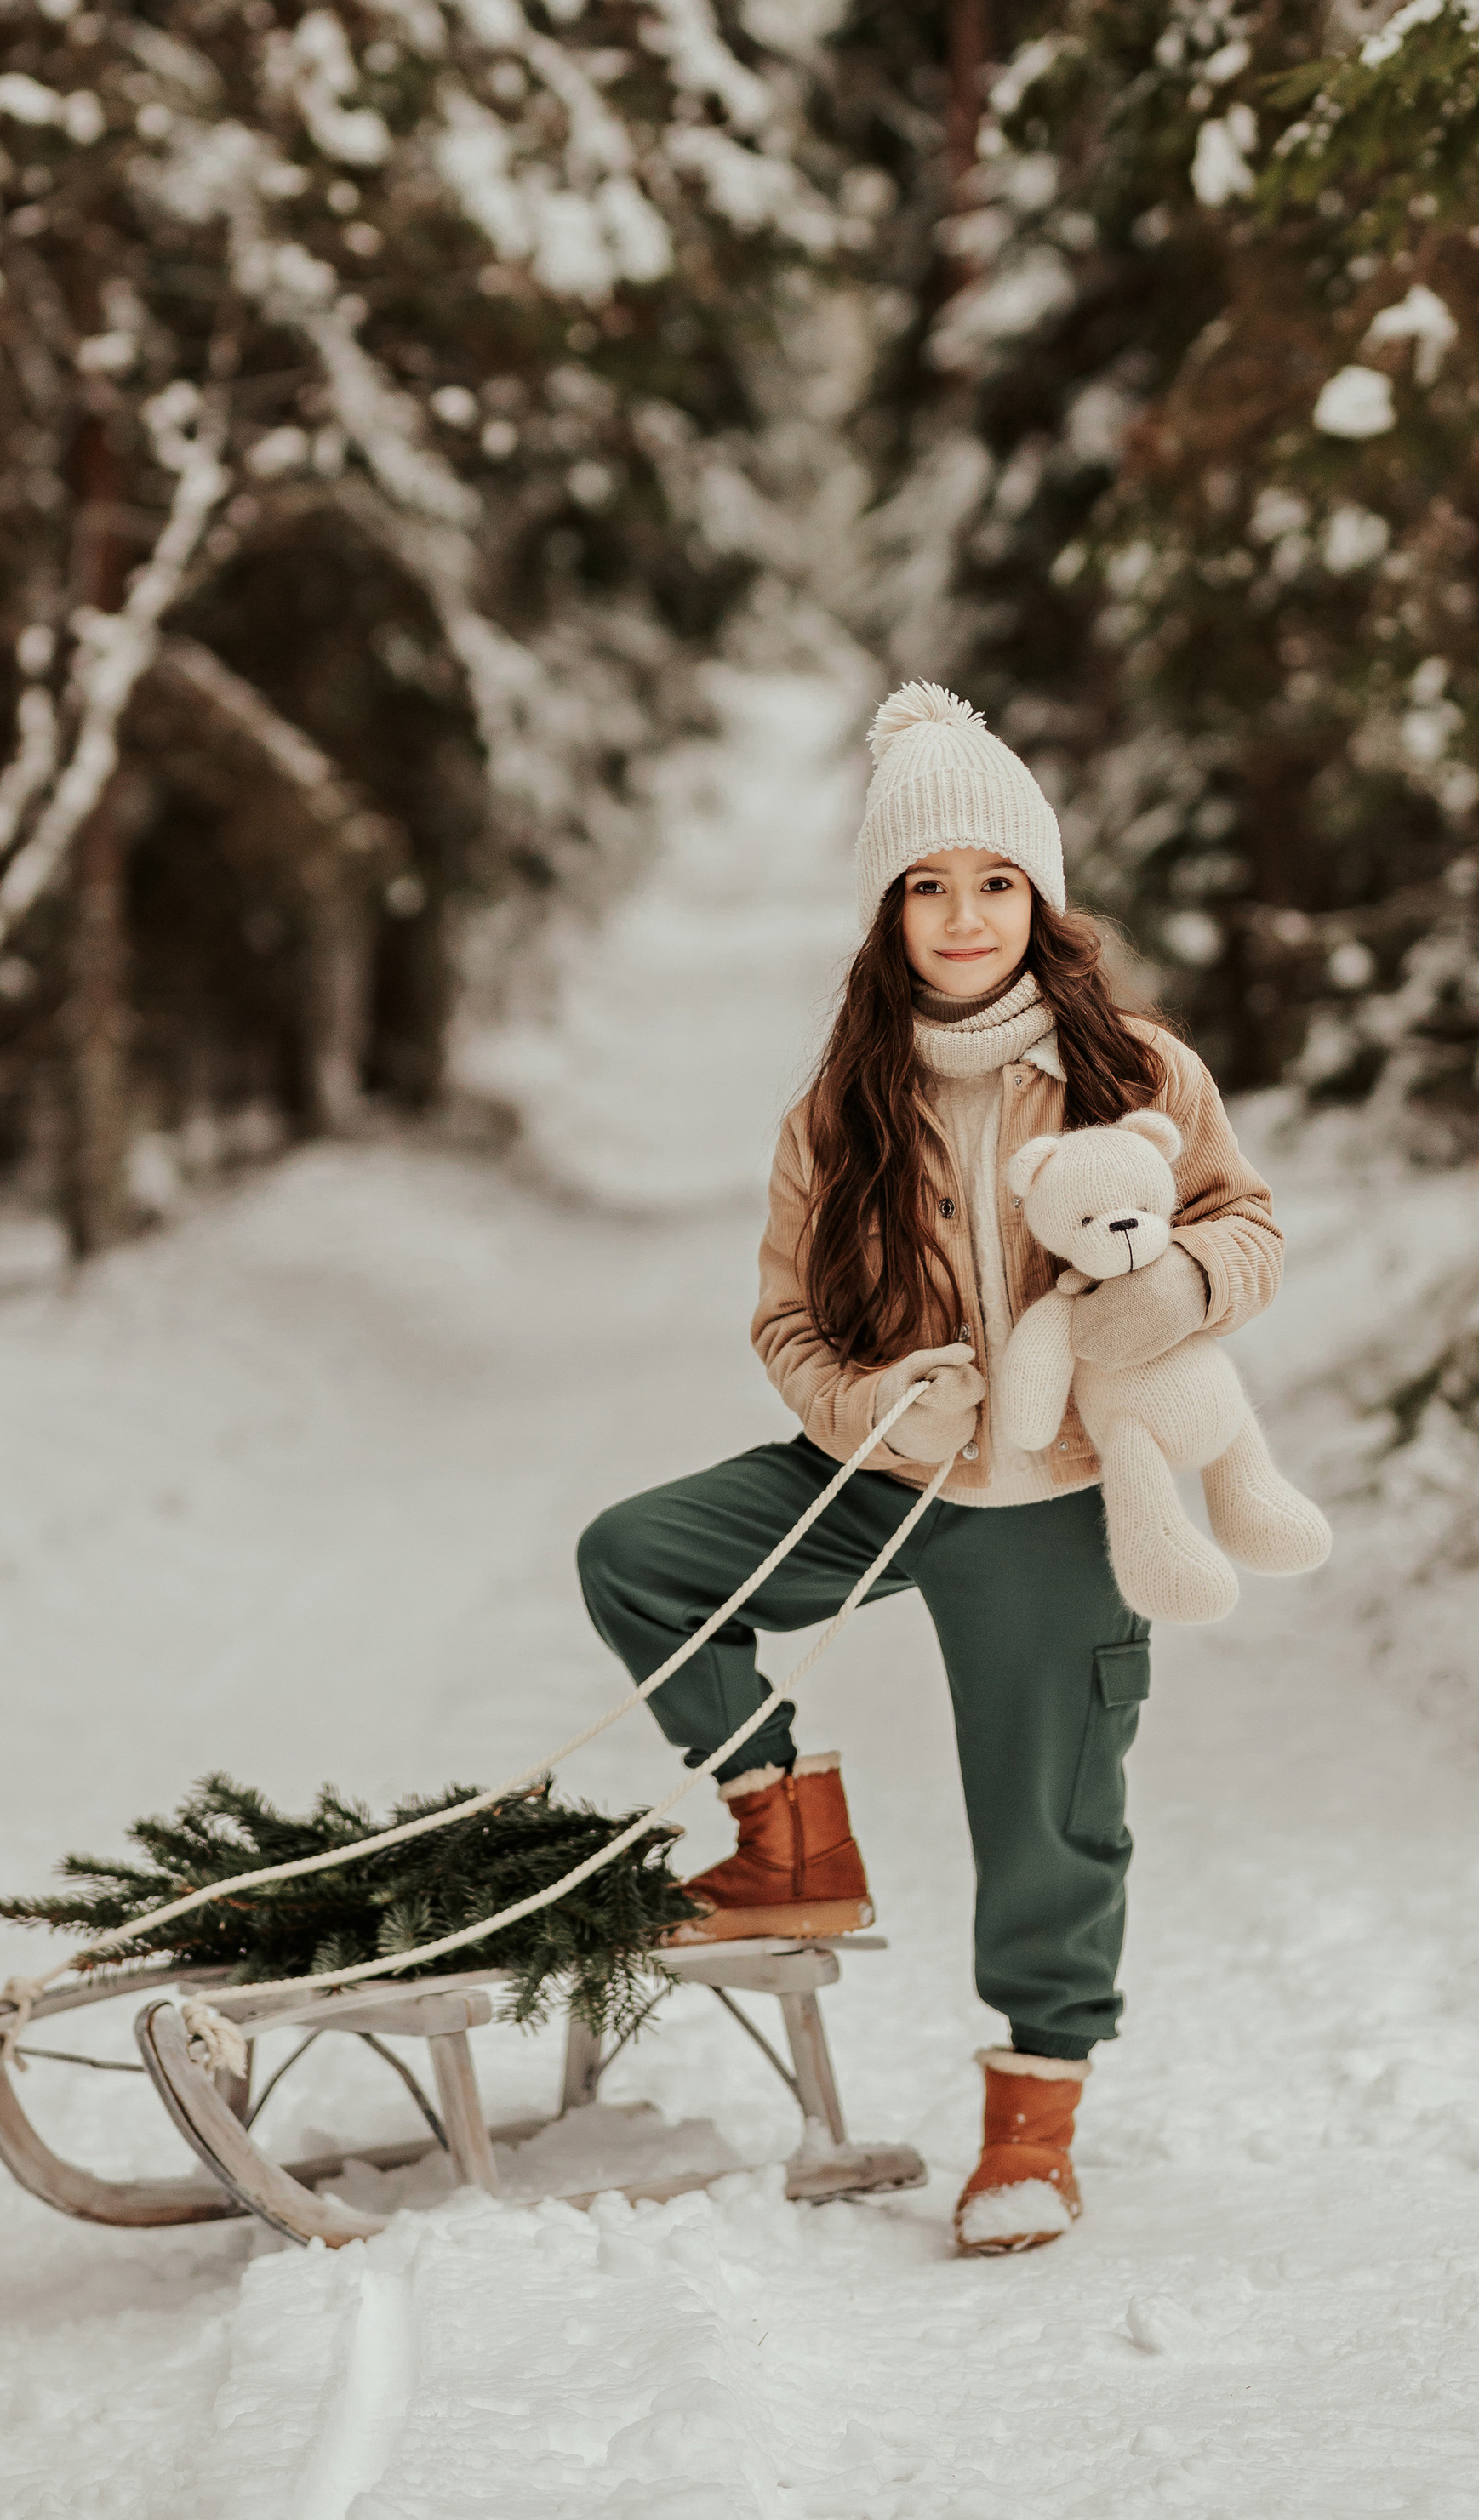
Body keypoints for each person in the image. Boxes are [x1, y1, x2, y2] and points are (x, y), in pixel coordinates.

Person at [577, 682, 1283, 2255]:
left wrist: (1178, 1287)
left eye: (996, 882)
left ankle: (1031, 2126)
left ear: (1040, 897)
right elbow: (786, 1321)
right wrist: (864, 1408)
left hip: (1058, 1504)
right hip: (888, 1483)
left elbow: (1248, 1228)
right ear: (886, 912)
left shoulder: (1140, 1071)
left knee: (1051, 1823)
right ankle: (788, 1830)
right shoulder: (838, 1109)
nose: (965, 918)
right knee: (637, 1555)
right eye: (928, 886)